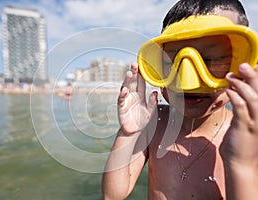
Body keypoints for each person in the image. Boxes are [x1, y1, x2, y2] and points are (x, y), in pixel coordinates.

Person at [102, 0, 258, 199]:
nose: (188, 82)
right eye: (171, 63)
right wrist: (128, 133)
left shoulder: (250, 136)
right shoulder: (154, 122)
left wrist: (241, 163)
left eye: (213, 60)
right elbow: (112, 195)